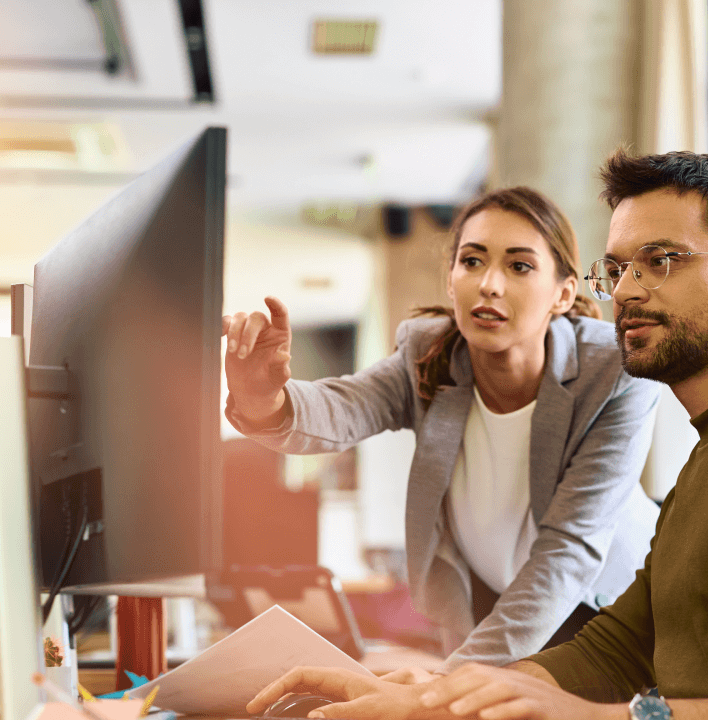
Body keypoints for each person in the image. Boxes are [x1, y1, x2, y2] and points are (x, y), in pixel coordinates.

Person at [246, 151, 708, 720]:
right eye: (621, 267)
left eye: (660, 260)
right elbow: (618, 648)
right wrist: (439, 698)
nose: (628, 290)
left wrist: (625, 717)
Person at [223, 186, 662, 671]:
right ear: (451, 281)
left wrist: (447, 680)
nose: (489, 284)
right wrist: (264, 398)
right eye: (472, 261)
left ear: (561, 294)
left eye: (519, 266)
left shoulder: (614, 372)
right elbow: (343, 407)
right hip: (487, 607)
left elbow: (569, 549)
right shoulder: (428, 355)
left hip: (606, 612)